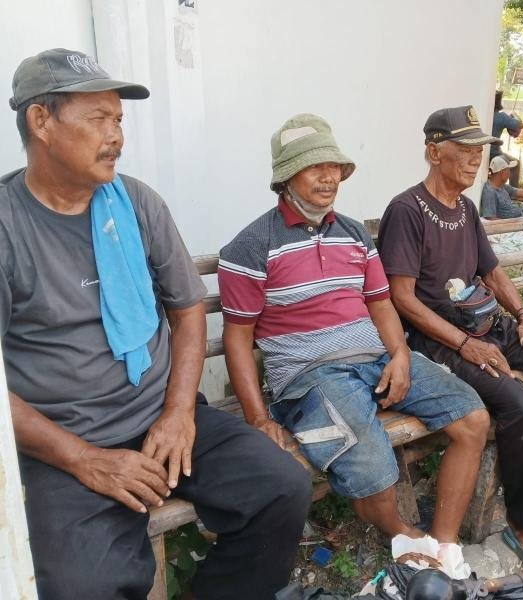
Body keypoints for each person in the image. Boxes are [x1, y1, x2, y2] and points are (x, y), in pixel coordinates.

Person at [1, 48, 311, 600]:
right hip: (63, 441)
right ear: (40, 121)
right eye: (98, 118)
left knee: (281, 487)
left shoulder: (136, 203)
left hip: (159, 416)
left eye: (119, 119)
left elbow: (187, 307)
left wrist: (176, 412)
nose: (116, 136)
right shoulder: (8, 227)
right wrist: (86, 460)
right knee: (82, 586)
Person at [218, 113, 489, 547]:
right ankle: (406, 539)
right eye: (315, 168)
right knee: (376, 474)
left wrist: (400, 356)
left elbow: (381, 304)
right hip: (311, 377)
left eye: (334, 168)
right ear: (287, 176)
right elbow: (237, 337)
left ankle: (444, 544)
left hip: (376, 360)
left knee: (473, 418)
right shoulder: (252, 247)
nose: (329, 179)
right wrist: (257, 417)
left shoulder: (353, 234)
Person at [378, 105, 523, 570]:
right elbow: (401, 298)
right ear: (432, 151)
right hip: (440, 342)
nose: (473, 162)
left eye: (478, 152)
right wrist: (463, 345)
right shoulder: (406, 211)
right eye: (463, 151)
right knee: (519, 403)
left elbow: (491, 270)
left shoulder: (465, 208)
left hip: (490, 328)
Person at [492, 90, 523, 186]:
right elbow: (519, 125)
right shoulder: (501, 117)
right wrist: (513, 114)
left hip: (485, 151)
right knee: (515, 163)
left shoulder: (485, 114)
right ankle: (514, 192)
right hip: (494, 153)